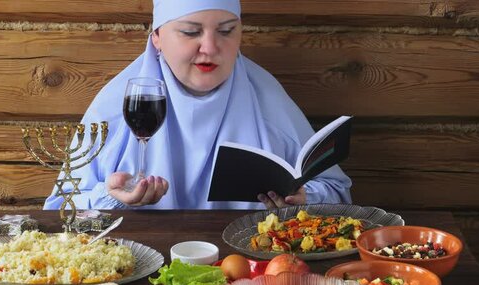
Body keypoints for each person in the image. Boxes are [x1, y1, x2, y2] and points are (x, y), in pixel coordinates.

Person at [44, 0, 352, 211]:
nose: (210, 47)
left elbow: (339, 193)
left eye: (226, 31)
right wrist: (112, 199)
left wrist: (303, 197)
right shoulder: (119, 104)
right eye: (191, 32)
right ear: (157, 37)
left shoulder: (266, 96)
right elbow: (59, 208)